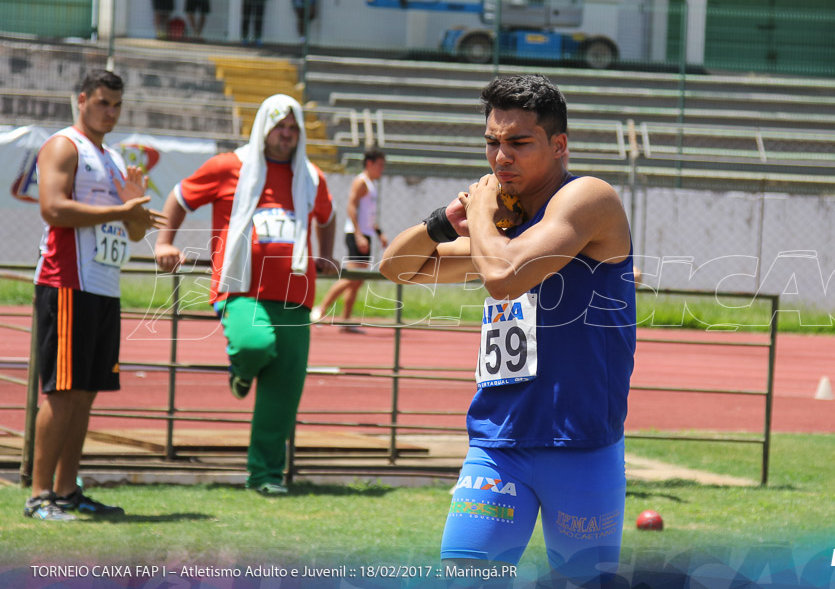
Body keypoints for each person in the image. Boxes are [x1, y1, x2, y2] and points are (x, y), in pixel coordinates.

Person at [379, 75, 635, 585]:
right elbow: (396, 267)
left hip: (580, 446)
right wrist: (442, 223)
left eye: (519, 142)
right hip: (498, 445)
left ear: (559, 145)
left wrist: (479, 211)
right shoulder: (500, 228)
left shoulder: (589, 197)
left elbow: (504, 277)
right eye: (493, 143)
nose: (501, 158)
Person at [154, 94, 337, 495]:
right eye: (279, 127)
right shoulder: (228, 167)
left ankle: (265, 475)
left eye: (293, 128)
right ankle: (241, 371)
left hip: (295, 294)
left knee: (283, 392)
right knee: (253, 345)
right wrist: (164, 243)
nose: (286, 135)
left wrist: (325, 254)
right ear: (262, 127)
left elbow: (328, 215)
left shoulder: (310, 176)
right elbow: (179, 198)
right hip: (240, 289)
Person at [26, 70, 167, 520]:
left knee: (86, 393)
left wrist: (138, 212)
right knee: (63, 392)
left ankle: (68, 491)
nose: (110, 112)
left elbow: (130, 227)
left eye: (117, 105)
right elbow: (53, 208)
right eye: (103, 102)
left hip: (104, 286)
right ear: (82, 100)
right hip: (66, 282)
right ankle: (38, 495)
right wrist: (118, 209)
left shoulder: (112, 159)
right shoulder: (63, 145)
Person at [311, 148, 387, 330]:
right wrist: (359, 235)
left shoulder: (371, 184)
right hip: (356, 235)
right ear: (369, 163)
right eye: (380, 165)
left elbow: (368, 215)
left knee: (358, 280)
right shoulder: (360, 182)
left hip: (365, 235)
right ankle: (320, 309)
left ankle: (345, 321)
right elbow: (351, 207)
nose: (382, 169)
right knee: (351, 277)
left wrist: (379, 233)